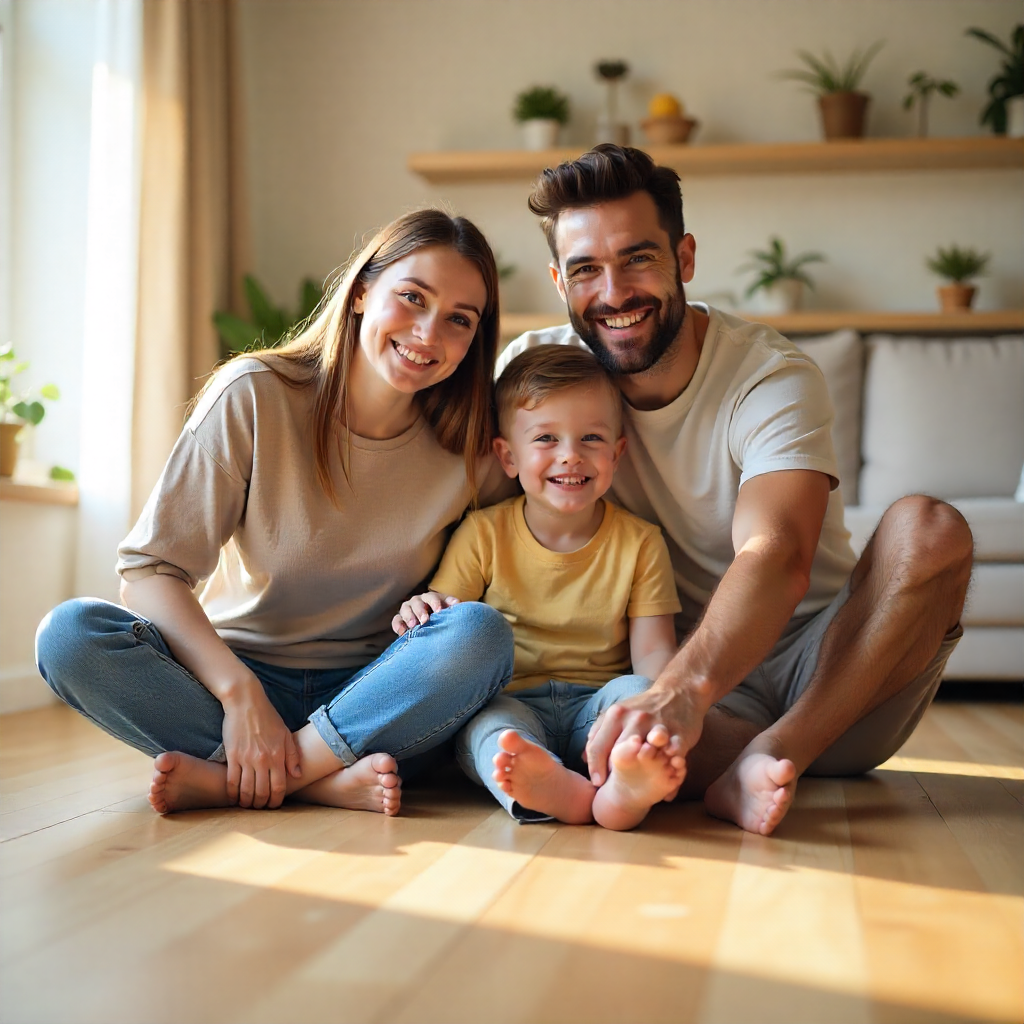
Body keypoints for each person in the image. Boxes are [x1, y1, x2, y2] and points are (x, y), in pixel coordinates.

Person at [498, 145, 972, 836]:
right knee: (588, 728)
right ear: (558, 281)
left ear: (684, 258)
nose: (614, 292)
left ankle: (778, 753)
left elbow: (776, 552)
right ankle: (730, 774)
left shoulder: (770, 374)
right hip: (687, 707)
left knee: (931, 527)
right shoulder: (533, 379)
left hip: (839, 677)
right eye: (586, 270)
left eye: (638, 258)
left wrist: (678, 694)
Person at [35, 209, 516, 816]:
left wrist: (443, 601)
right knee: (69, 636)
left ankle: (254, 778)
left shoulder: (474, 447)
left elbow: (515, 558)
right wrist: (240, 696)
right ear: (363, 290)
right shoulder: (255, 393)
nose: (428, 332)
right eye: (412, 297)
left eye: (459, 320)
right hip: (231, 680)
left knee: (480, 635)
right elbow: (150, 571)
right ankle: (321, 780)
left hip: (374, 697)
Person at [392, 345, 683, 829]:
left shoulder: (641, 542)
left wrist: (648, 710)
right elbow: (451, 625)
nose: (571, 455)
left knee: (637, 691)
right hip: (509, 701)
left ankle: (623, 791)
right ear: (507, 456)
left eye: (591, 438)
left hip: (597, 706)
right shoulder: (482, 533)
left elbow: (654, 655)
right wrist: (423, 608)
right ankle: (554, 789)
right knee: (488, 731)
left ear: (617, 452)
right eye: (546, 438)